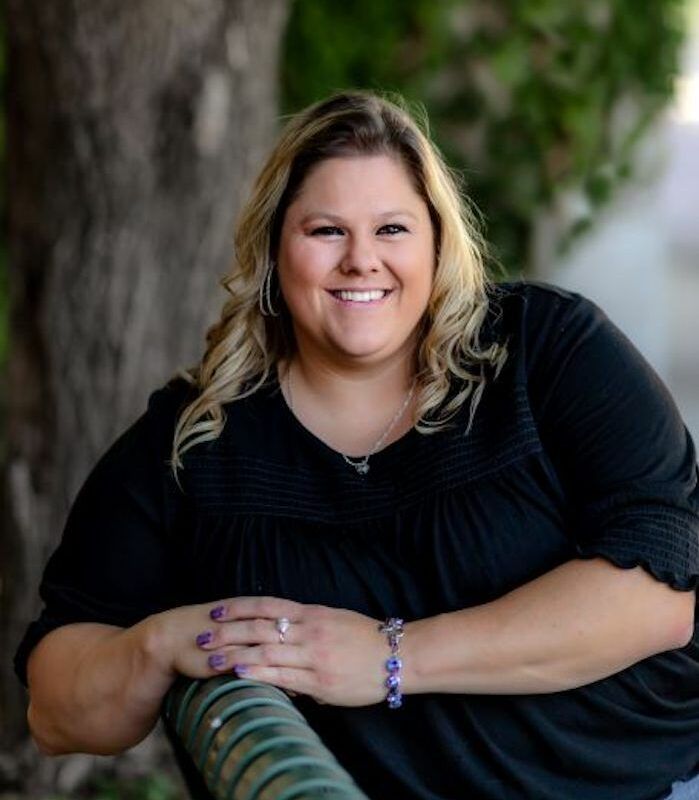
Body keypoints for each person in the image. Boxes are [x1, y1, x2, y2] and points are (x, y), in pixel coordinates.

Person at [14, 90, 699, 800]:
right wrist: (158, 644)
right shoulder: (196, 442)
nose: (361, 261)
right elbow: (56, 708)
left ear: (438, 242)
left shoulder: (544, 353)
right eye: (326, 231)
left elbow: (660, 591)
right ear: (274, 249)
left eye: (393, 229)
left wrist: (389, 656)